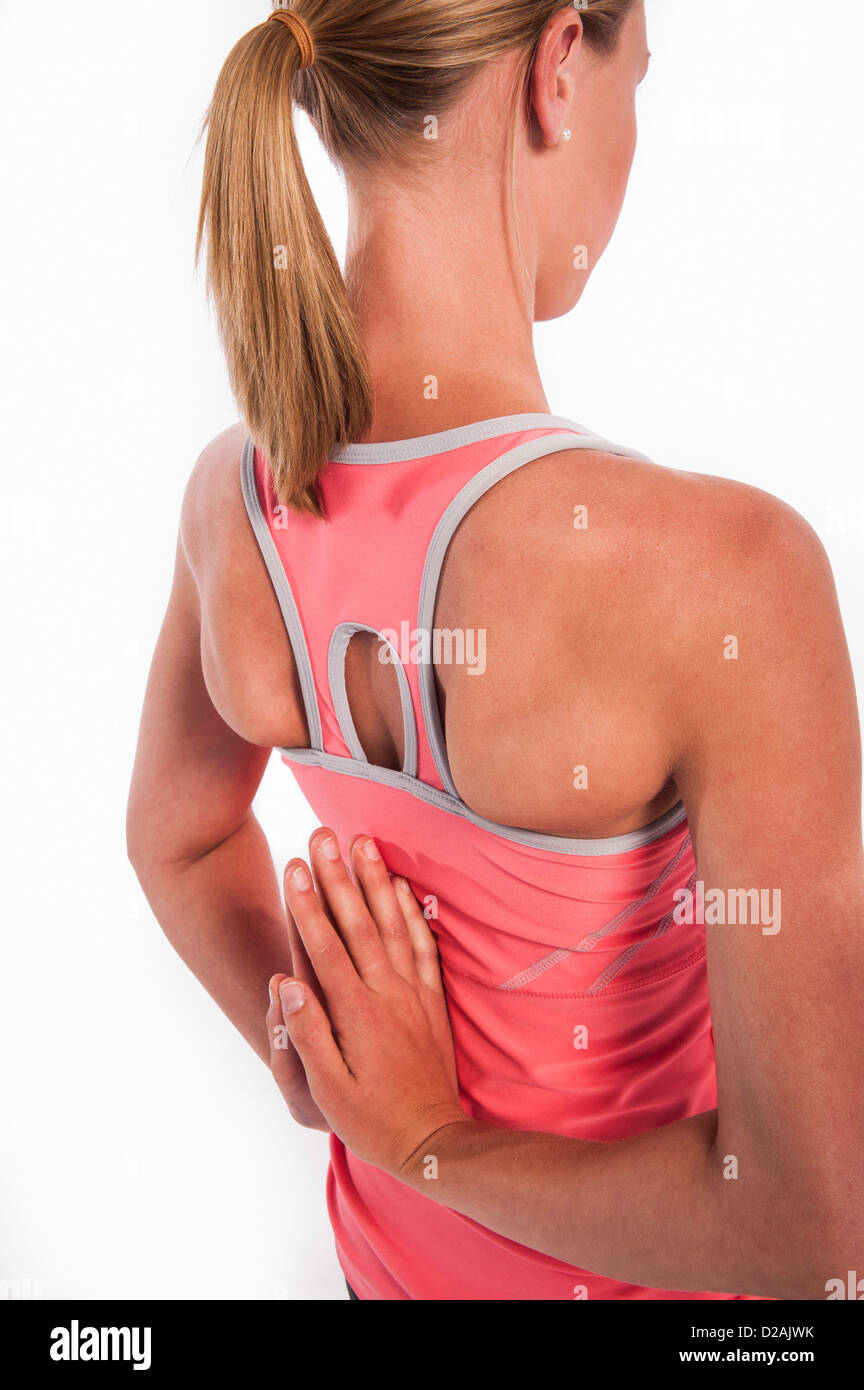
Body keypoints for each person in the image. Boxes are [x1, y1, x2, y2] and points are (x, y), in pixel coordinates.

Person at [127, 1, 864, 1300]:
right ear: (560, 63)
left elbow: (176, 836)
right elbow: (815, 1224)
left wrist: (299, 1038)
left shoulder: (236, 503)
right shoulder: (724, 574)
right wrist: (422, 1136)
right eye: (643, 78)